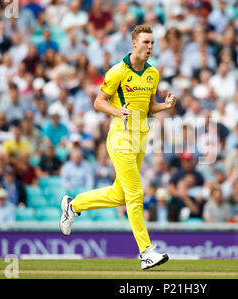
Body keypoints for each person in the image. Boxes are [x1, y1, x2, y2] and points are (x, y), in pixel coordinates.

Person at [59, 25, 176, 270]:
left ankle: (74, 205)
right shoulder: (118, 71)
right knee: (135, 194)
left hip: (141, 138)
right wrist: (116, 111)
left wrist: (164, 106)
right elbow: (98, 102)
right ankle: (146, 252)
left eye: (152, 43)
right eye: (145, 42)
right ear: (134, 44)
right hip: (121, 138)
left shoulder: (153, 73)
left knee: (118, 194)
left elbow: (148, 107)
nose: (150, 47)